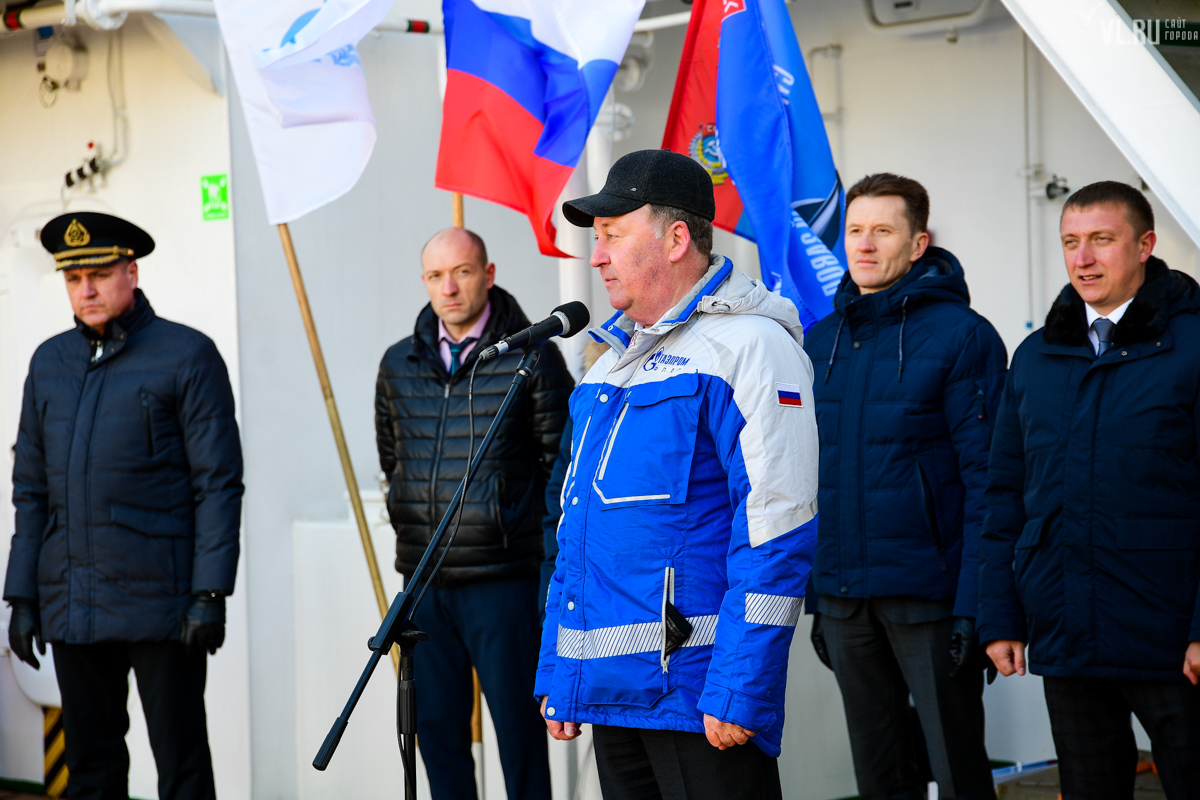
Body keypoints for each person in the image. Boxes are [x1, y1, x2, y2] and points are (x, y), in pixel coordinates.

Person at [535, 149, 819, 799]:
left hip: (698, 698)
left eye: (612, 235)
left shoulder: (751, 347)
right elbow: (577, 535)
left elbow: (776, 529)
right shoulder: (608, 368)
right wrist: (560, 671)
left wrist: (740, 686)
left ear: (676, 239)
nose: (596, 257)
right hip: (610, 695)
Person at [4, 212, 243, 800]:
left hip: (163, 602)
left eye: (99, 275)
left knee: (182, 764)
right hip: (73, 601)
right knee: (92, 765)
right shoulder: (49, 363)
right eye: (72, 279)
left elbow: (218, 483)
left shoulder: (187, 355)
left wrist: (209, 592)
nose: (85, 290)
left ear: (131, 273)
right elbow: (31, 488)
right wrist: (23, 595)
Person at [979, 181, 1200, 800]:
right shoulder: (1036, 356)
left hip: (1171, 638)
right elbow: (1004, 494)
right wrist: (1000, 615)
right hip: (1068, 630)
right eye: (1070, 242)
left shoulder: (1192, 346)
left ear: (1145, 245)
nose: (1083, 259)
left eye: (1102, 239)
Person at [802, 173, 1005, 800]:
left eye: (883, 231)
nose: (864, 245)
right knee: (879, 777)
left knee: (956, 770)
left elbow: (990, 482)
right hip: (844, 601)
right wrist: (818, 593)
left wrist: (976, 604)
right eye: (855, 230)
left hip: (931, 600)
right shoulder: (821, 340)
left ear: (918, 244)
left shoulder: (963, 336)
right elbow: (808, 475)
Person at [374, 227, 573, 800]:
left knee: (519, 735)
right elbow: (393, 458)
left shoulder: (534, 357)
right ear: (424, 282)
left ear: (488, 274)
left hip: (503, 580)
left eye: (461, 272)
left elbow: (560, 469)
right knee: (437, 735)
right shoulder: (399, 362)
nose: (449, 288)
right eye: (436, 276)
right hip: (424, 583)